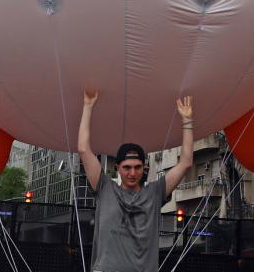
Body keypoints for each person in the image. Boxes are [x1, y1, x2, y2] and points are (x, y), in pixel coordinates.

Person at [77, 91, 194, 272]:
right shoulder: (105, 188)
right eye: (127, 167)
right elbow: (84, 150)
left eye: (138, 167)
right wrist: (88, 106)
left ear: (144, 167)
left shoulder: (155, 192)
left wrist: (187, 121)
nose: (133, 173)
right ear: (117, 167)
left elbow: (185, 163)